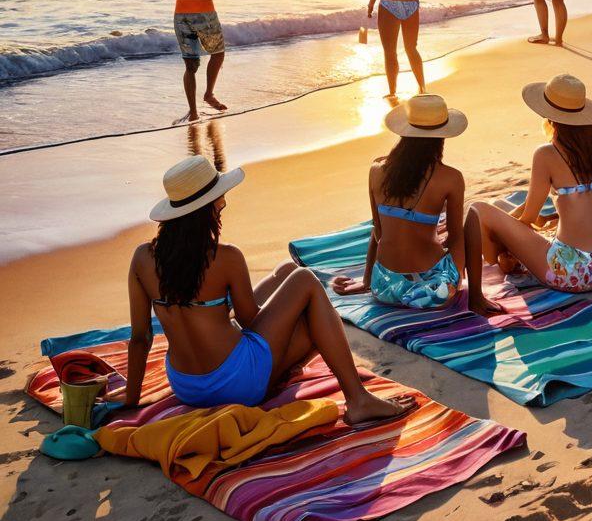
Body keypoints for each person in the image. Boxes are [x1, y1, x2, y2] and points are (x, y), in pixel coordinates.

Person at [124, 155, 414, 422]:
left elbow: (140, 338)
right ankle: (358, 399)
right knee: (303, 280)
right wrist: (288, 318)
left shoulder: (142, 258)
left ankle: (292, 356)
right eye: (220, 201)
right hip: (237, 383)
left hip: (186, 385)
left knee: (284, 272)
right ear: (208, 208)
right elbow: (251, 321)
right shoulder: (226, 257)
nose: (222, 206)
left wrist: (131, 399)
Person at [464, 74, 592, 315]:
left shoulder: (547, 154)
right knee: (510, 222)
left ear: (550, 117)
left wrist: (506, 236)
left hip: (573, 273)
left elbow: (529, 217)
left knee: (478, 210)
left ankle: (497, 262)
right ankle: (504, 258)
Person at [331, 94, 466, 309]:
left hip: (384, 288)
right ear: (443, 136)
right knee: (472, 222)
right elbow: (457, 238)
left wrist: (367, 281)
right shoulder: (451, 178)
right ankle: (476, 296)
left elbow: (379, 231)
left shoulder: (377, 171)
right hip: (435, 292)